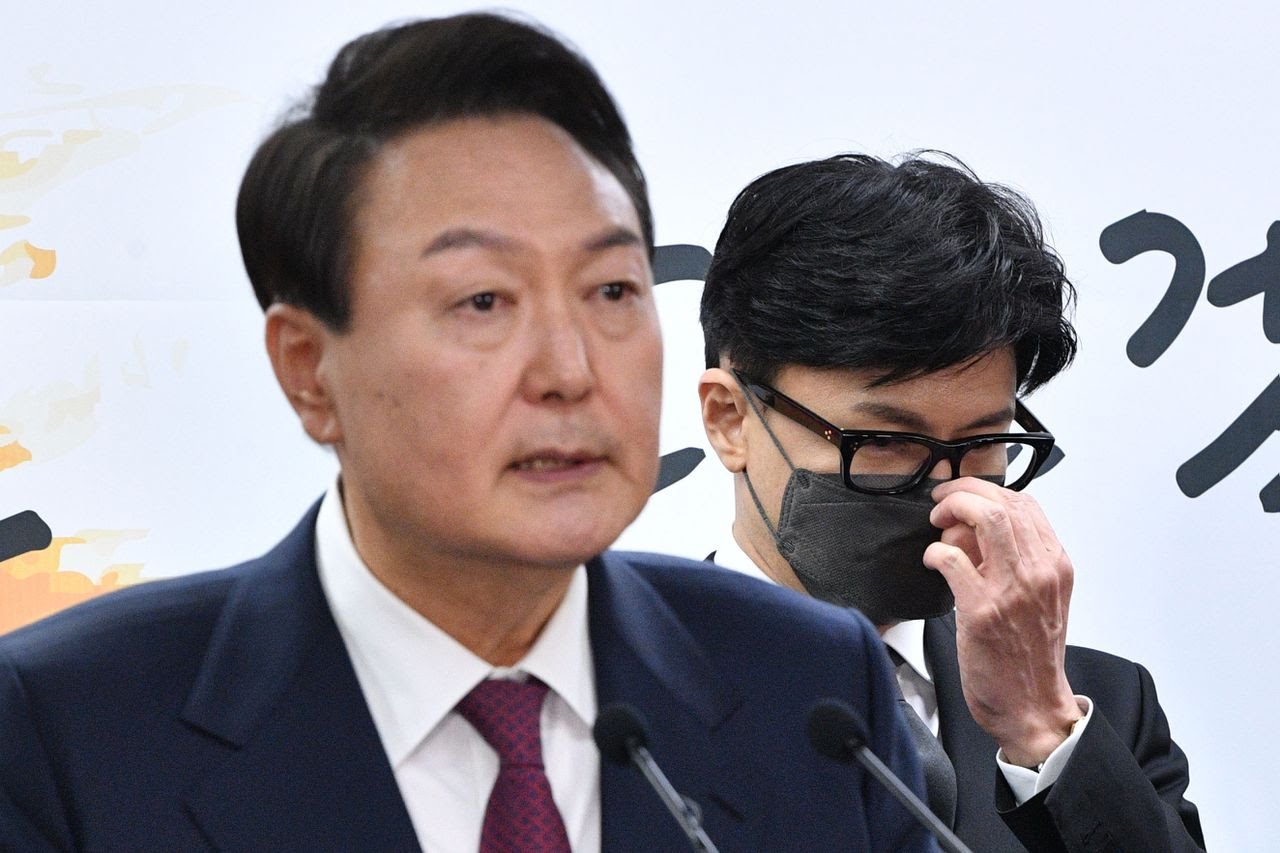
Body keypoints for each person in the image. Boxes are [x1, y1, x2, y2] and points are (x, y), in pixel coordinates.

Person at [0, 13, 932, 853]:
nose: (570, 369)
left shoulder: (814, 690)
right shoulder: (67, 726)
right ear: (308, 368)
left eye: (612, 289)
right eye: (483, 301)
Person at [697, 152, 1207, 851]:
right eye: (884, 441)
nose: (942, 487)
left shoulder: (1101, 711)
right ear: (730, 419)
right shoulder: (608, 696)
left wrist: (1041, 728)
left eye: (981, 442)